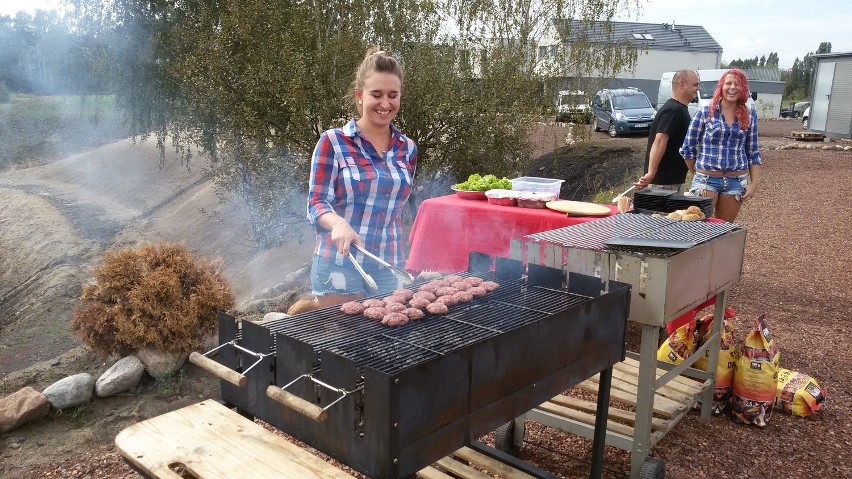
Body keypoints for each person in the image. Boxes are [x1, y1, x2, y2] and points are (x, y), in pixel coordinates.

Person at [306, 47, 417, 308]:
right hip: (340, 264)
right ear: (359, 95)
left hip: (389, 266)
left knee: (386, 346)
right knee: (342, 345)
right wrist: (338, 223)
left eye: (393, 95)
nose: (385, 104)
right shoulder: (333, 141)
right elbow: (316, 202)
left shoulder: (408, 149)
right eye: (376, 95)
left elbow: (397, 208)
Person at [680, 68, 761, 222]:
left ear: (743, 88)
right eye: (728, 83)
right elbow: (687, 149)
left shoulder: (750, 115)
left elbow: (753, 152)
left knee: (723, 230)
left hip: (735, 182)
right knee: (699, 228)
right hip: (706, 181)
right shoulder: (705, 112)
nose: (732, 87)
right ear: (721, 87)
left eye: (737, 84)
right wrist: (698, 174)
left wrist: (753, 184)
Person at [636, 69, 700, 192]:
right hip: (664, 184)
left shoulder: (679, 109)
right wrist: (651, 173)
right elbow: (659, 141)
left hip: (672, 182)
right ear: (682, 84)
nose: (698, 88)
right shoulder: (673, 110)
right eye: (695, 84)